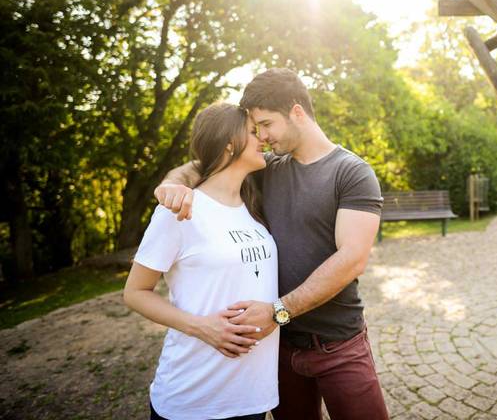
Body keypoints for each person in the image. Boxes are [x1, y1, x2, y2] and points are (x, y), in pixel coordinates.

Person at [155, 68, 388, 420]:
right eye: (256, 128)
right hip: (277, 351)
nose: (261, 136)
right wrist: (172, 184)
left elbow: (352, 259)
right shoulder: (268, 168)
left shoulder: (351, 172)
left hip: (339, 344)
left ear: (296, 112)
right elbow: (208, 163)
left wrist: (278, 311)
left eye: (266, 124)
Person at [124, 103, 279, 420]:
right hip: (193, 398)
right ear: (228, 143)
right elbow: (135, 292)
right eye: (253, 132)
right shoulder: (181, 209)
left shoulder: (252, 207)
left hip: (252, 397)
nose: (263, 137)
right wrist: (202, 327)